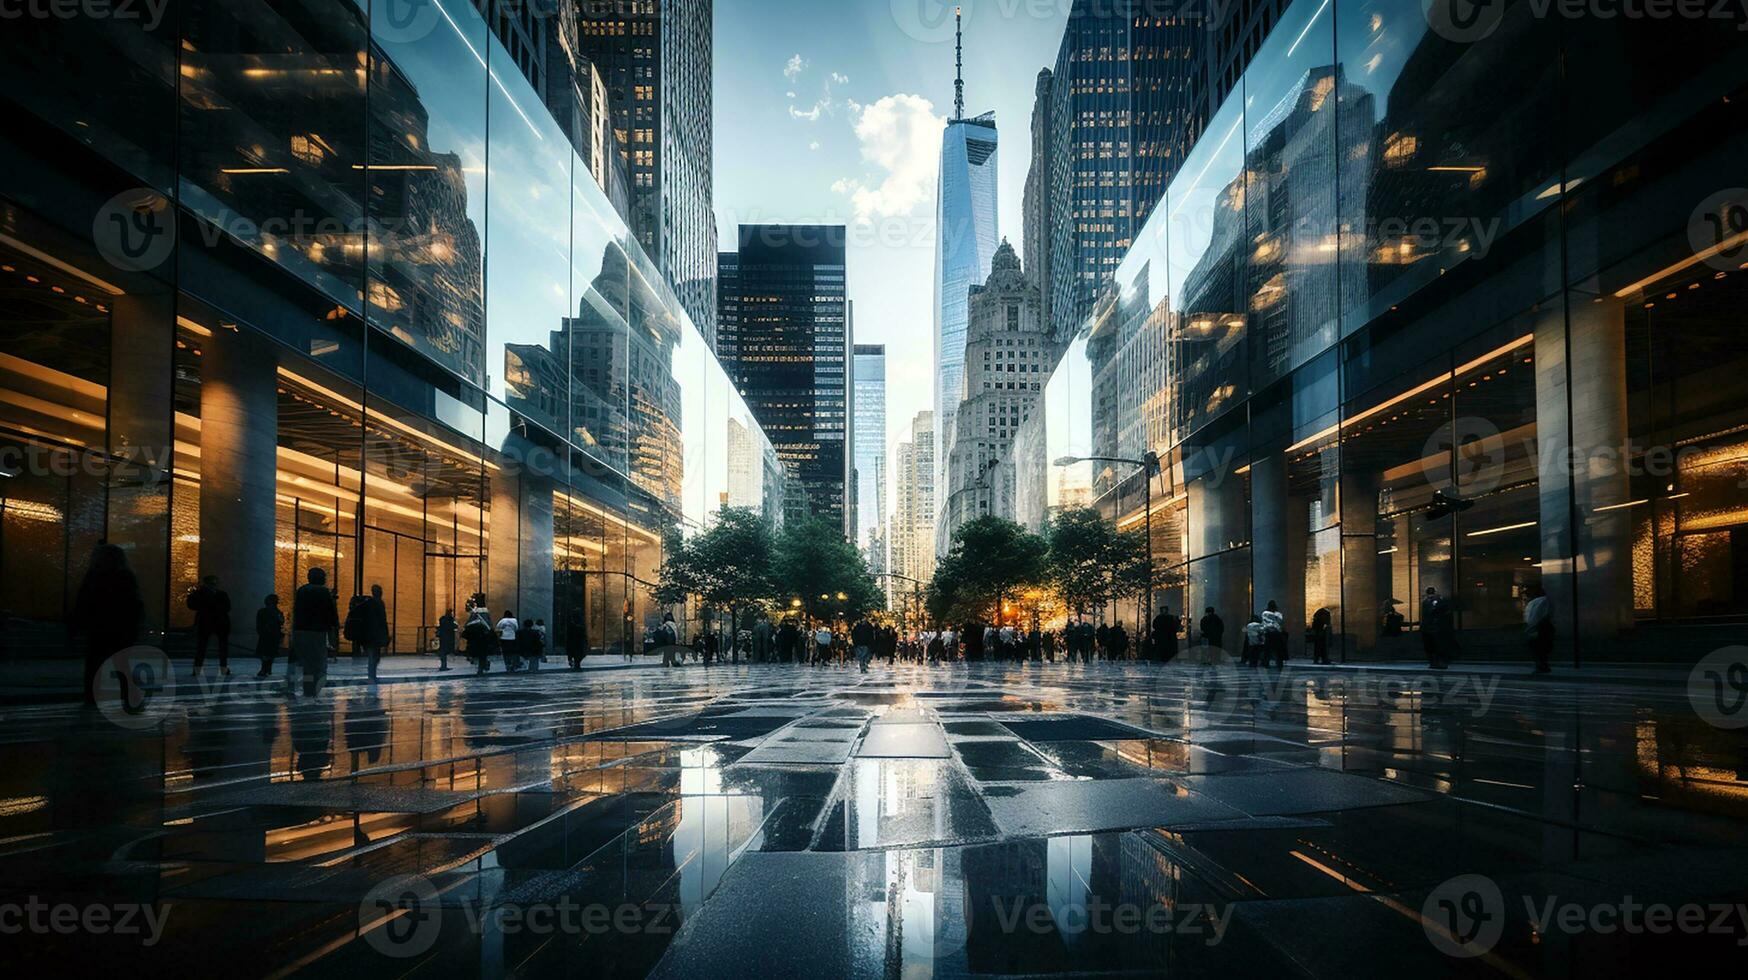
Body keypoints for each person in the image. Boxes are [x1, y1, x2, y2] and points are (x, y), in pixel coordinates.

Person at [71, 544, 143, 706]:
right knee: (122, 664)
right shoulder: (125, 576)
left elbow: (83, 602)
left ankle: (91, 697)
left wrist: (77, 625)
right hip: (119, 629)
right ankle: (130, 696)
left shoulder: (94, 575)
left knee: (94, 665)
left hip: (98, 628)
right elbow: (134, 606)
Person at [290, 568, 340, 696]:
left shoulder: (301, 591)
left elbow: (297, 612)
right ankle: (314, 688)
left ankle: (308, 688)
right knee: (318, 663)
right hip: (317, 632)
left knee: (307, 664)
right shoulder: (323, 592)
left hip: (301, 630)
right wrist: (334, 629)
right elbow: (330, 613)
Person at [187, 574, 233, 677]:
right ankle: (218, 668)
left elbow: (227, 607)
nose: (213, 585)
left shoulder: (205, 594)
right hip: (212, 622)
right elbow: (192, 605)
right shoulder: (202, 594)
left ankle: (201, 669)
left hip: (213, 622)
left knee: (207, 648)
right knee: (204, 648)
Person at [353, 584, 390, 681]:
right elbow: (382, 620)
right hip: (375, 633)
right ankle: (372, 675)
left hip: (370, 633)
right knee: (374, 655)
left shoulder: (369, 603)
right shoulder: (379, 603)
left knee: (372, 655)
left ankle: (372, 674)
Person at [1524, 585, 1554, 674]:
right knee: (1540, 648)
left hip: (1538, 628)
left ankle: (1541, 665)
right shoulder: (1542, 601)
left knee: (1537, 648)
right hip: (1540, 628)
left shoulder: (1538, 602)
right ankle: (1542, 665)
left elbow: (1532, 618)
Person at [1421, 587, 1453, 669]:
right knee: (1435, 645)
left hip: (1433, 627)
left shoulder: (1428, 601)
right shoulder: (1436, 601)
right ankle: (1437, 662)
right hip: (1434, 627)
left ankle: (1436, 662)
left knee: (1434, 646)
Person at [255, 594, 284, 677]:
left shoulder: (262, 611)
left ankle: (265, 668)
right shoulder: (277, 612)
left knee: (265, 653)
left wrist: (261, 631)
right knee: (270, 653)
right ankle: (268, 668)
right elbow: (281, 622)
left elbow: (259, 623)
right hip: (273, 635)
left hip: (266, 635)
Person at [463, 608, 496, 674]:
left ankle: (480, 667)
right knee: (482, 655)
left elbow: (465, 633)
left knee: (478, 655)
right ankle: (482, 666)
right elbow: (491, 633)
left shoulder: (471, 624)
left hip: (474, 643)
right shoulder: (486, 625)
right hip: (483, 643)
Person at [1261, 600, 1287, 668]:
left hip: (1268, 633)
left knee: (1267, 649)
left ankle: (1265, 663)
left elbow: (1264, 623)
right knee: (1278, 650)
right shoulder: (1278, 614)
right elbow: (1280, 622)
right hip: (1277, 633)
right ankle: (1279, 663)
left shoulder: (1264, 613)